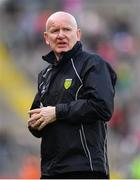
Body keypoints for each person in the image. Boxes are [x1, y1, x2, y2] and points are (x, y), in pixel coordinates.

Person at [28, 11, 117, 179]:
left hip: (84, 169)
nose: (61, 35)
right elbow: (38, 119)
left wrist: (56, 112)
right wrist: (35, 122)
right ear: (47, 37)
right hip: (50, 171)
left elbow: (102, 107)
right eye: (55, 31)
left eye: (66, 29)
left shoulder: (93, 64)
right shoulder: (45, 75)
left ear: (78, 34)